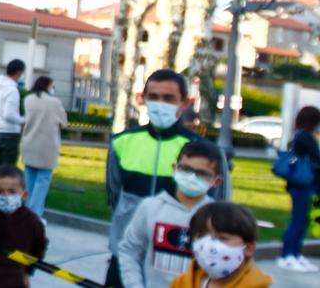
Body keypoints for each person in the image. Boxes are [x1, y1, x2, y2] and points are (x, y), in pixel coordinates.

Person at [103, 69, 230, 288]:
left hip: (176, 260)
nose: (160, 103)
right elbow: (115, 194)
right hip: (125, 255)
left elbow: (219, 206)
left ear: (185, 102)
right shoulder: (121, 142)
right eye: (154, 97)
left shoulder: (203, 152)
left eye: (169, 98)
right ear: (143, 99)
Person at [117, 140, 223, 287]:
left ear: (216, 181)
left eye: (201, 173)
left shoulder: (221, 218)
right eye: (186, 169)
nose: (191, 177)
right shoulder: (150, 208)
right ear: (175, 169)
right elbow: (129, 250)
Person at [170, 202, 272, 288]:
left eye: (222, 238)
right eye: (201, 236)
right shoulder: (181, 283)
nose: (208, 245)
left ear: (248, 249)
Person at [278, 105, 320, 272]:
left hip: (302, 184)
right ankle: (287, 255)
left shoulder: (300, 135)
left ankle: (295, 253)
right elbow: (316, 159)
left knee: (302, 220)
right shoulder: (305, 137)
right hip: (302, 184)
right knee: (298, 220)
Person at [19, 76, 65, 218]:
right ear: (48, 86)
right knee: (42, 181)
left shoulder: (28, 100)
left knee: (29, 179)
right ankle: (34, 213)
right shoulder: (55, 102)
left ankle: (25, 210)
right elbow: (63, 122)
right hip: (47, 146)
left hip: (29, 142)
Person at [0, 59, 26, 167]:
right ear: (19, 72)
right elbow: (9, 114)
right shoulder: (12, 90)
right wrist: (23, 120)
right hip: (10, 132)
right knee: (8, 167)